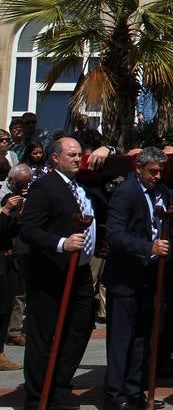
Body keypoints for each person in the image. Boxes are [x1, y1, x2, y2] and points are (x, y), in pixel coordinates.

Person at [19, 136, 99, 410]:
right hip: (51, 271)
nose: (78, 159)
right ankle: (38, 395)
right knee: (43, 335)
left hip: (79, 271)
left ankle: (60, 384)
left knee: (80, 327)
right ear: (55, 158)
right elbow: (29, 230)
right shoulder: (45, 187)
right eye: (72, 155)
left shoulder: (80, 186)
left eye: (79, 155)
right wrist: (61, 243)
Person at [103, 147, 173, 410]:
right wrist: (147, 248)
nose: (157, 176)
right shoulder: (126, 192)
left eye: (160, 172)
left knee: (143, 337)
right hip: (126, 277)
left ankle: (134, 390)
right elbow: (115, 234)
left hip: (150, 276)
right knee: (122, 338)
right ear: (138, 169)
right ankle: (115, 394)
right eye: (152, 172)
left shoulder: (161, 192)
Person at [0, 164, 29, 372]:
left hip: (10, 257)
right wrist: (5, 210)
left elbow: (13, 231)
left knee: (6, 306)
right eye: (20, 183)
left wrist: (18, 215)